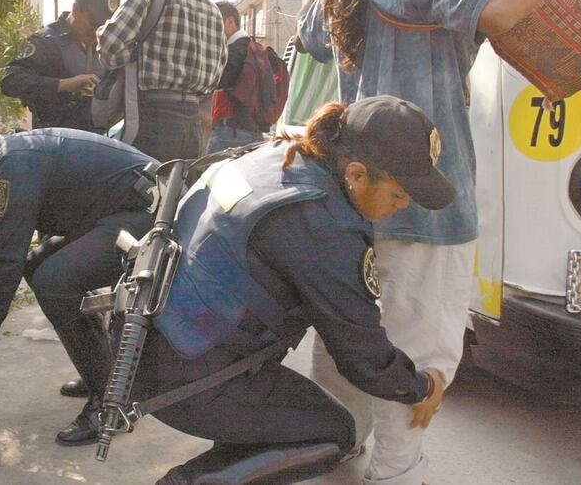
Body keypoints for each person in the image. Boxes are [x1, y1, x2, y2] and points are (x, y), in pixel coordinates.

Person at [297, 0, 581, 485]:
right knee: (418, 359)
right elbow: (500, 10)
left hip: (355, 199)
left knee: (347, 347)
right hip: (426, 204)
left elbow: (311, 36)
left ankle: (329, 459)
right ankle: (396, 474)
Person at [122, 96, 451, 484]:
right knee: (334, 434)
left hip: (146, 335)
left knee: (276, 418)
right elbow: (362, 354)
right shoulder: (325, 225)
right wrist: (421, 387)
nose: (405, 205)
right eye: (398, 194)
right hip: (182, 376)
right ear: (358, 175)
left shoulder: (280, 156)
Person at [0, 128, 156, 448]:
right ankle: (104, 369)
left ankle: (111, 404)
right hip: (130, 209)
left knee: (56, 281)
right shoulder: (9, 156)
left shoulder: (9, 169)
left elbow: (5, 261)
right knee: (38, 265)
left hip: (150, 215)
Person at [97, 0, 226, 161]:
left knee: (140, 182)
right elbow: (216, 75)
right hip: (193, 127)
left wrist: (131, 53)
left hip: (153, 121)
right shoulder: (213, 9)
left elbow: (109, 46)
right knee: (180, 184)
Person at [0, 0, 120, 131]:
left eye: (104, 27)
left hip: (97, 139)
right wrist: (62, 85)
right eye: (93, 24)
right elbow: (11, 80)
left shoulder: (108, 48)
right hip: (54, 138)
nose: (98, 32)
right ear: (76, 9)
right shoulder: (46, 41)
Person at [205, 1, 268, 153]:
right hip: (253, 131)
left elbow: (219, 80)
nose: (210, 31)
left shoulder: (236, 50)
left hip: (230, 132)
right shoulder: (253, 49)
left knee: (211, 169)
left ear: (230, 22)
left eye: (214, 24)